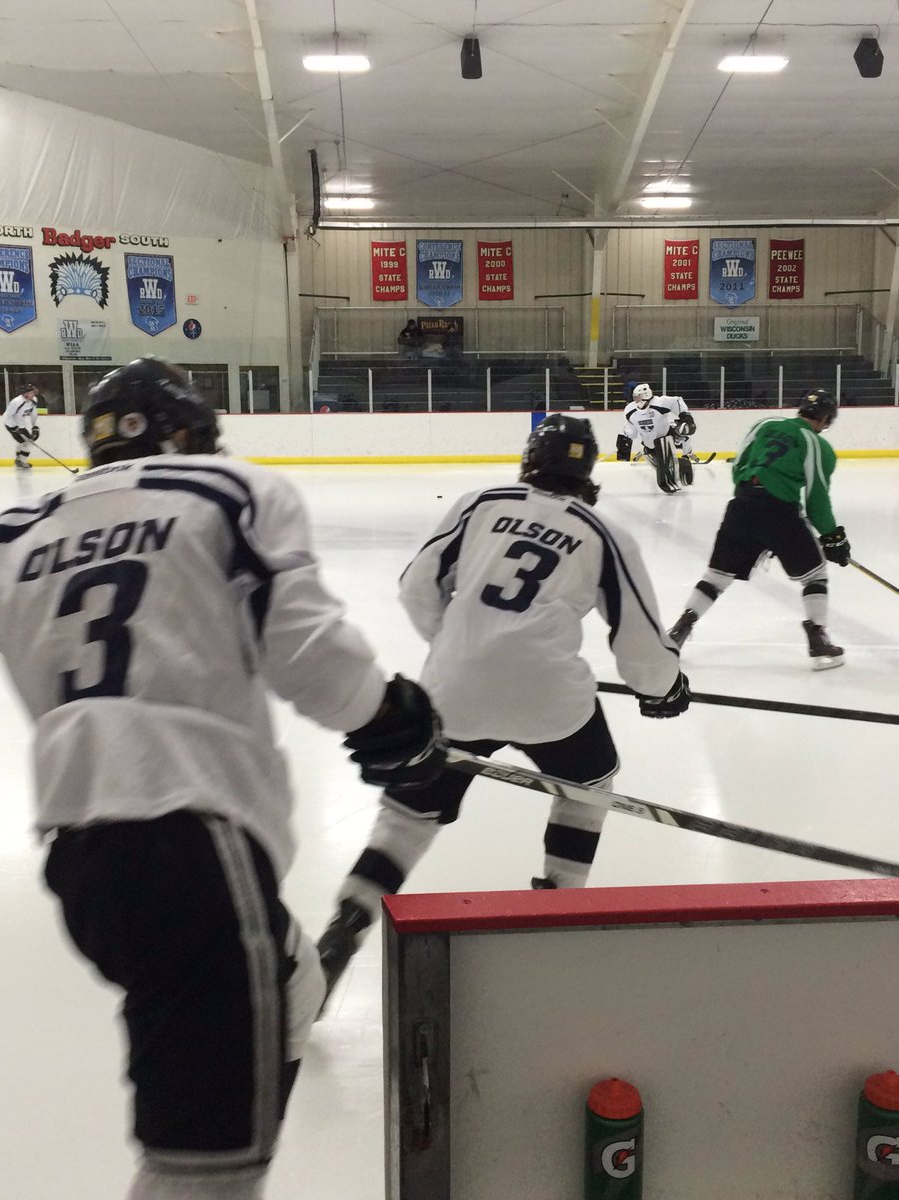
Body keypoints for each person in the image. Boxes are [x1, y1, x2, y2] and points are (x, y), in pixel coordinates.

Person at [0, 356, 445, 1200]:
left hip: (83, 857)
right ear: (195, 434)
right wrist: (391, 717)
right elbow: (308, 653)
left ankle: (253, 1057)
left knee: (289, 977)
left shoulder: (19, 535)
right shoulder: (223, 491)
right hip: (192, 840)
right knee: (200, 1171)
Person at [316, 414, 690, 1008]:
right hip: (549, 698)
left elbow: (417, 586)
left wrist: (457, 649)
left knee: (408, 819)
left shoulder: (481, 501)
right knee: (589, 784)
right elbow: (642, 646)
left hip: (452, 691)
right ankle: (557, 910)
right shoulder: (604, 532)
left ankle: (346, 924)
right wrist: (663, 686)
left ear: (529, 460)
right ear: (587, 472)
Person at [667, 388, 850, 670]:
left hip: (741, 507)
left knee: (716, 577)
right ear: (826, 419)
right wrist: (833, 537)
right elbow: (817, 500)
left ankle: (682, 627)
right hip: (780, 514)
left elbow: (739, 465)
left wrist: (755, 501)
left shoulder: (764, 425)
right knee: (816, 575)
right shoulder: (816, 445)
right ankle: (818, 639)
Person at [616, 382, 698, 493]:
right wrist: (625, 440)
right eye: (634, 397)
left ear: (646, 395)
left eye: (638, 397)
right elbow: (631, 431)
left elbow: (677, 401)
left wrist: (686, 416)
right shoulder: (630, 410)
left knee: (684, 430)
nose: (636, 399)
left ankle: (686, 454)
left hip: (668, 437)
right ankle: (683, 465)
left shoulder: (659, 402)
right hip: (650, 446)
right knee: (664, 467)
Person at [4, 381, 40, 469]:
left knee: (26, 442)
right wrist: (14, 428)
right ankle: (21, 462)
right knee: (27, 443)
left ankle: (19, 459)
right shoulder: (16, 402)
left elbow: (34, 413)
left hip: (21, 426)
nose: (33, 394)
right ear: (25, 394)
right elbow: (7, 415)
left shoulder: (33, 400)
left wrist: (35, 426)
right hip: (11, 425)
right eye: (31, 392)